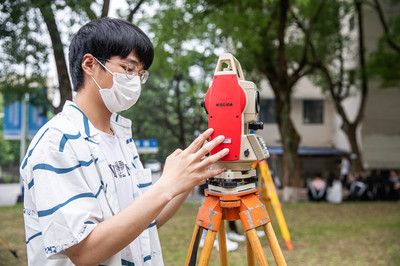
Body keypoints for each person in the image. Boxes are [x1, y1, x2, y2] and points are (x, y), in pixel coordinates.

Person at [20, 18, 229, 266]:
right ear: (89, 64)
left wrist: (184, 179)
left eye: (140, 74)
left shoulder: (120, 136)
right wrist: (164, 187)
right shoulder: (58, 141)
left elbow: (144, 220)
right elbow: (84, 252)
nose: (134, 81)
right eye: (128, 69)